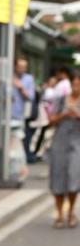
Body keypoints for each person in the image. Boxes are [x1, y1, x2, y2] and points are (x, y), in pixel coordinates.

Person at [46, 69, 80, 227]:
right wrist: (64, 115)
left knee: (74, 177)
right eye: (74, 84)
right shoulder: (60, 100)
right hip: (60, 141)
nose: (76, 88)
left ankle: (71, 211)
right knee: (58, 176)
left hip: (77, 143)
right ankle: (59, 213)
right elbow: (50, 121)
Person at [11, 57, 37, 162]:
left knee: (19, 142)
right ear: (15, 67)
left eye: (24, 67)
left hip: (19, 115)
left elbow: (31, 97)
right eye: (20, 67)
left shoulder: (29, 79)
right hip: (5, 114)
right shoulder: (8, 76)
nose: (22, 69)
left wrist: (20, 87)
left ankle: (17, 166)